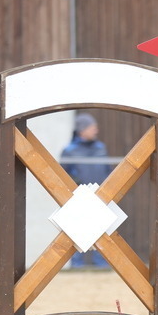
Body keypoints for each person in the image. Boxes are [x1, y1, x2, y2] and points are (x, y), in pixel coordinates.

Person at [60, 112, 112, 267]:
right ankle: (77, 268)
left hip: (100, 199)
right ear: (82, 130)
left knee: (101, 233)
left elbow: (108, 171)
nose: (96, 130)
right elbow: (62, 175)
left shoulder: (101, 148)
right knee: (77, 234)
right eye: (92, 127)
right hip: (78, 200)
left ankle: (102, 267)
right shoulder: (69, 150)